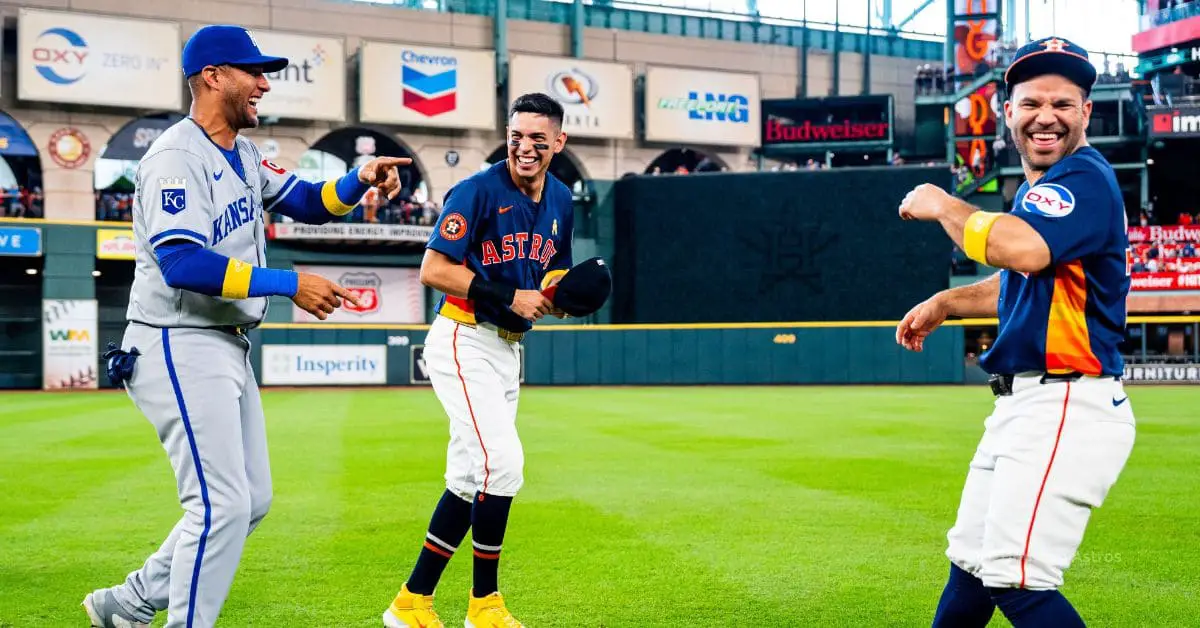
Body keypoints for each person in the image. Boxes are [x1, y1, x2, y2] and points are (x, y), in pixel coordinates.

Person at [82, 25, 410, 628]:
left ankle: (127, 603)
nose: (264, 83)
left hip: (223, 344)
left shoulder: (242, 152)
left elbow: (309, 202)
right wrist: (289, 284)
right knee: (221, 505)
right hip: (174, 341)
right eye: (251, 72)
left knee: (248, 501)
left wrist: (359, 181)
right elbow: (182, 262)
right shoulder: (176, 157)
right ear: (213, 76)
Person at [895, 37, 1135, 628]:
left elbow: (1021, 251)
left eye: (1062, 102)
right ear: (1008, 113)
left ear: (1085, 112)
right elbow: (1023, 283)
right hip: (1026, 403)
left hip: (1067, 401)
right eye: (1030, 103)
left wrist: (942, 202)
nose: (1044, 116)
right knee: (972, 565)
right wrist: (951, 300)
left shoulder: (1083, 177)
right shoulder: (1039, 191)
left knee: (1015, 575)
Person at [382, 93, 574, 628]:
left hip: (508, 348)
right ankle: (484, 606)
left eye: (539, 138)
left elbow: (555, 266)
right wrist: (509, 296)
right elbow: (433, 270)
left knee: (470, 476)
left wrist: (558, 293)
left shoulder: (561, 198)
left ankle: (410, 604)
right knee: (503, 465)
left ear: (558, 142)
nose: (526, 147)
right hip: (464, 338)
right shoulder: (477, 191)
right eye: (517, 136)